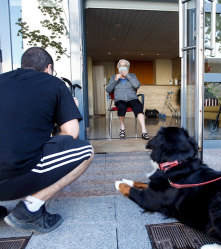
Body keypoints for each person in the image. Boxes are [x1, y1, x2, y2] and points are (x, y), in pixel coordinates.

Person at [0, 47, 94, 233]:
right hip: (13, 180)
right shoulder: (54, 84)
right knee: (85, 151)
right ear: (49, 68)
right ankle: (30, 210)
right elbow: (70, 133)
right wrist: (65, 112)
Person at [106, 59, 150, 140]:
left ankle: (144, 130)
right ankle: (122, 127)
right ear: (118, 68)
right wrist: (115, 80)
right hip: (120, 100)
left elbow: (137, 85)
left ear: (128, 68)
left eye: (124, 66)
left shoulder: (132, 75)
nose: (122, 68)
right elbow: (108, 90)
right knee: (121, 107)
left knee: (138, 107)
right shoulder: (114, 77)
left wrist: (128, 76)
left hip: (132, 98)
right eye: (121, 66)